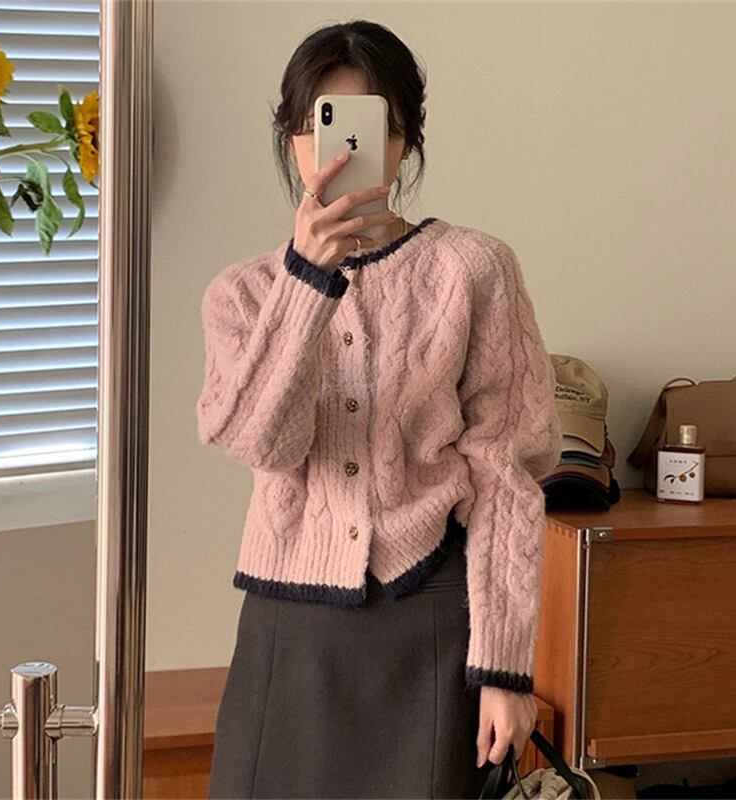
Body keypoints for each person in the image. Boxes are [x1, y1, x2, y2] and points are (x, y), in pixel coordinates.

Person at [199, 18, 562, 800]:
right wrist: (305, 282)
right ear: (292, 140)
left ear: (403, 142)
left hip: (427, 620)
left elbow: (507, 472)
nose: (341, 149)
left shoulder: (475, 270)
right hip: (288, 628)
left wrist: (504, 667)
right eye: (318, 125)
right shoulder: (243, 294)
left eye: (370, 125)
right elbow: (261, 441)